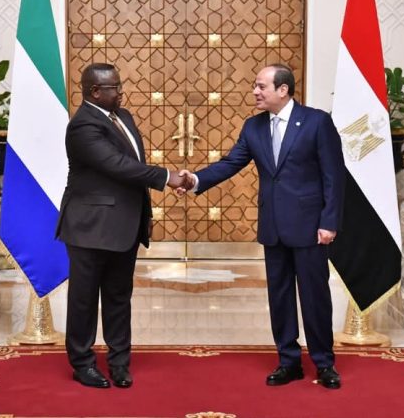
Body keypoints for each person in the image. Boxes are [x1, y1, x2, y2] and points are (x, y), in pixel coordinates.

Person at [179, 64, 345, 389]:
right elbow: (231, 163)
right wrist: (196, 179)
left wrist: (329, 222)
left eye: (261, 86)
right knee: (279, 297)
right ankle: (288, 362)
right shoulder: (253, 126)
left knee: (314, 297)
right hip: (273, 227)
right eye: (255, 86)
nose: (255, 92)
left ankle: (324, 363)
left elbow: (333, 176)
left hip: (311, 228)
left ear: (283, 90)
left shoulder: (316, 122)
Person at [55, 63, 188, 389]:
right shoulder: (82, 126)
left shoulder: (123, 117)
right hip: (90, 227)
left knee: (118, 297)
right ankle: (83, 364)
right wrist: (166, 177)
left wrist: (148, 206)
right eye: (114, 87)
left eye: (119, 85)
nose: (121, 91)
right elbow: (117, 165)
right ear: (94, 91)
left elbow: (133, 167)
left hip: (124, 226)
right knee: (84, 300)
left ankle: (119, 362)